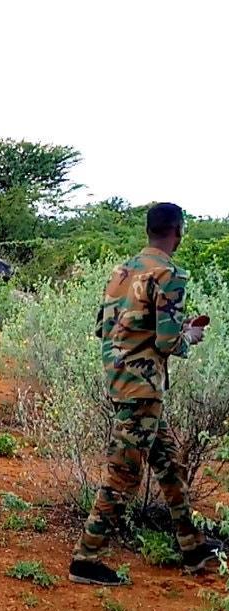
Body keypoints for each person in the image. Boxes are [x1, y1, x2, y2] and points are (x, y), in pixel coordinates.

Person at [69, 202, 218, 586]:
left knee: (169, 464)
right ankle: (86, 559)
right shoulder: (170, 274)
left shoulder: (121, 272)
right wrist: (189, 335)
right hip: (143, 388)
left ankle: (193, 548)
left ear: (149, 230)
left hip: (120, 382)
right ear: (178, 232)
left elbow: (106, 328)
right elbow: (167, 342)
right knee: (124, 475)